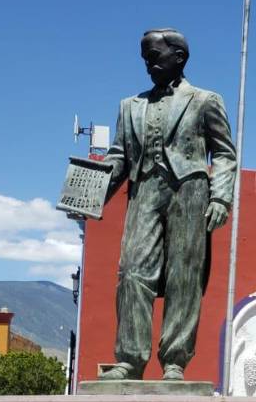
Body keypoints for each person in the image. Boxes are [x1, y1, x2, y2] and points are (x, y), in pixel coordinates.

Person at [97, 28, 238, 381]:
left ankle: (175, 360)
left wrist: (221, 196)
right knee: (131, 272)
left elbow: (223, 153)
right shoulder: (130, 107)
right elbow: (118, 158)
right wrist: (89, 195)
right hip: (144, 189)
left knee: (184, 276)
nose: (148, 64)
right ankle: (130, 359)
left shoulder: (205, 100)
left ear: (179, 57)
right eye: (145, 58)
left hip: (190, 193)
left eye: (155, 56)